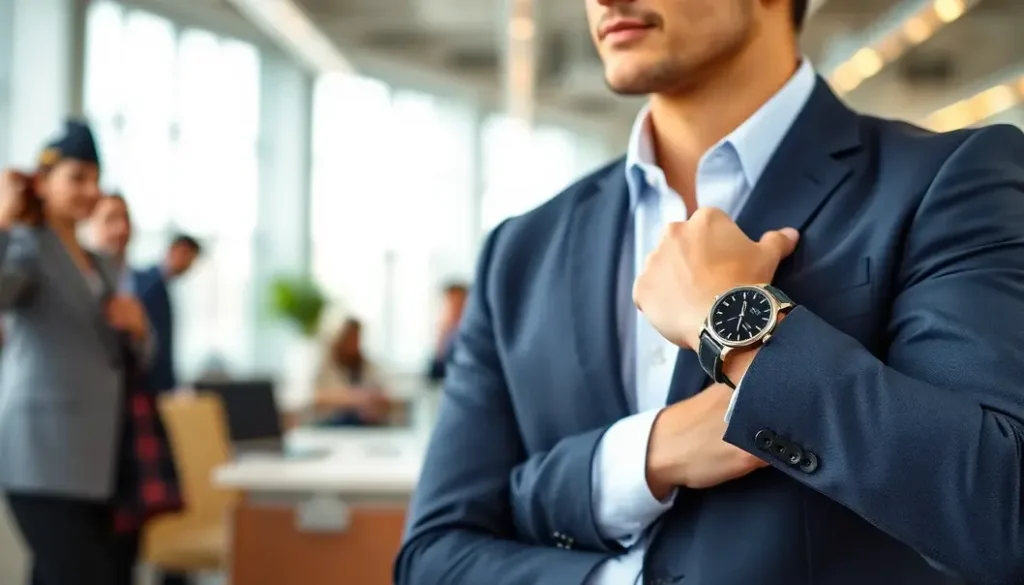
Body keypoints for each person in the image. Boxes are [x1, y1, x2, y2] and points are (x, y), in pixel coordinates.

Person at [395, 0, 1024, 584]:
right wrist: (645, 455)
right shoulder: (521, 251)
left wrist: (735, 330)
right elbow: (433, 556)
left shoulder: (945, 181)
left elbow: (1002, 511)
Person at [0, 120, 182, 585]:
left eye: (94, 178)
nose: (89, 190)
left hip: (106, 458)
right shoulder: (26, 249)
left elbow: (129, 359)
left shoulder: (99, 262)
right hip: (43, 456)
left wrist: (141, 331)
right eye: (76, 177)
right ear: (42, 182)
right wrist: (3, 219)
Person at [89, 193, 190, 585]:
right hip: (87, 430)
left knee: (125, 548)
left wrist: (141, 331)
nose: (121, 228)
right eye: (109, 218)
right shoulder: (76, 282)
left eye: (125, 218)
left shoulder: (144, 283)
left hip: (136, 424)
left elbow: (157, 350)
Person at [135, 233, 201, 395]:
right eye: (188, 258)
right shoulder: (149, 285)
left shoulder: (161, 286)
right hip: (148, 384)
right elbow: (153, 341)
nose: (189, 266)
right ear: (174, 251)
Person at [313, 318, 394, 426]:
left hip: (364, 424)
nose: (354, 342)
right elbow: (318, 398)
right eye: (350, 337)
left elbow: (384, 397)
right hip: (333, 424)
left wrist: (375, 402)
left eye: (357, 338)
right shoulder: (325, 365)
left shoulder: (368, 365)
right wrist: (356, 398)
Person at [426, 282, 468, 383]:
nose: (451, 311)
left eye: (458, 305)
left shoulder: (470, 339)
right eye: (448, 305)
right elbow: (434, 376)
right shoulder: (447, 337)